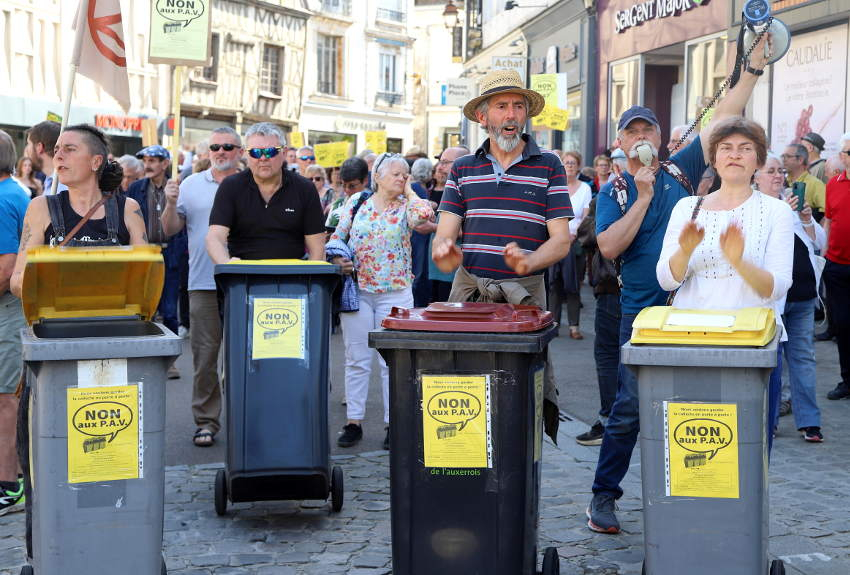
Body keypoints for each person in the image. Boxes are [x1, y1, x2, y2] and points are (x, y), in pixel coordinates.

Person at [586, 34, 769, 535]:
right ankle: (604, 497)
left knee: (691, 406)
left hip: (691, 308)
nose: (641, 136)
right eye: (633, 131)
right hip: (640, 314)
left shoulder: (681, 168)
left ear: (660, 135)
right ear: (621, 142)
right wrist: (642, 197)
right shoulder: (615, 189)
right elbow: (608, 248)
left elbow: (725, 113)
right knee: (627, 411)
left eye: (649, 128)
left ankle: (692, 492)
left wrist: (752, 68)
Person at [11, 123, 147, 557]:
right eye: (56, 150)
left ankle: (117, 538)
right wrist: (62, 274)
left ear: (96, 161)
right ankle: (55, 544)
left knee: (113, 451)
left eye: (70, 149)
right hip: (57, 346)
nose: (59, 156)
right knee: (58, 454)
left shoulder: (127, 211)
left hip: (115, 348)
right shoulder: (40, 209)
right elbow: (17, 280)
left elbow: (146, 279)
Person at [431, 68, 574, 444]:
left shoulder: (549, 165)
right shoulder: (463, 168)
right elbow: (445, 237)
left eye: (517, 106)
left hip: (523, 296)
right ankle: (466, 463)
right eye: (501, 107)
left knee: (522, 392)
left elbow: (561, 240)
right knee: (464, 391)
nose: (511, 115)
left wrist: (529, 262)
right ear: (483, 116)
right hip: (470, 294)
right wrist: (445, 253)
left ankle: (516, 467)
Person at [658, 117, 794, 449]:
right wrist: (685, 251)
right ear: (714, 158)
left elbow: (775, 287)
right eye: (726, 148)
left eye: (745, 149)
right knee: (693, 444)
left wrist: (739, 261)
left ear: (758, 161)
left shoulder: (776, 212)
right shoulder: (688, 207)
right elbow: (665, 279)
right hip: (691, 343)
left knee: (748, 448)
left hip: (752, 347)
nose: (734, 155)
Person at [328, 153, 433, 449]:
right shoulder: (357, 201)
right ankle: (354, 421)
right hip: (358, 290)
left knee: (392, 361)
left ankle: (393, 423)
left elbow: (424, 216)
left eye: (406, 174)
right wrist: (338, 256)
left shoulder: (406, 206)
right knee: (356, 358)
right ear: (377, 176)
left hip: (395, 291)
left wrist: (411, 191)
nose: (401, 178)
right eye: (397, 174)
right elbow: (337, 235)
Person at [161, 127, 243, 447]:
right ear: (207, 151)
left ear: (239, 151)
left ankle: (244, 415)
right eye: (214, 147)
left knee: (245, 357)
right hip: (202, 283)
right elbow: (169, 230)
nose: (220, 152)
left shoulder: (252, 185)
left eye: (227, 147)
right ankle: (206, 421)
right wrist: (169, 203)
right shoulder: (190, 185)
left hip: (244, 282)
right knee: (205, 358)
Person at [754, 152, 825, 442]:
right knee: (772, 361)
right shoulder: (755, 207)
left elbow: (820, 243)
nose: (777, 176)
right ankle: (768, 420)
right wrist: (783, 211)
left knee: (803, 359)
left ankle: (810, 421)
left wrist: (806, 219)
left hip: (804, 296)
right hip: (773, 299)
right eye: (770, 171)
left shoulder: (791, 202)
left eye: (780, 171)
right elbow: (756, 247)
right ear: (755, 178)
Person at [206, 122, 326, 264]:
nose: (263, 158)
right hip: (242, 278)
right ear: (247, 154)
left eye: (270, 151)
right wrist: (227, 267)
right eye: (255, 152)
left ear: (284, 153)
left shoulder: (305, 188)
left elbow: (317, 248)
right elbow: (214, 238)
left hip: (293, 279)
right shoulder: (231, 186)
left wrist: (309, 282)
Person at [127, 145, 187, 378]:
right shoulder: (135, 188)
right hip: (144, 254)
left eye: (154, 160)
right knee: (144, 309)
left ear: (165, 164)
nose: (148, 164)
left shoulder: (177, 188)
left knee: (169, 310)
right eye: (146, 160)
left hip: (170, 253)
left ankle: (169, 360)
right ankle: (145, 356)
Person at [0, 131, 30, 515]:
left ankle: (9, 485)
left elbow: (6, 268)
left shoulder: (5, 197)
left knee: (6, 399)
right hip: (11, 307)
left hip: (8, 307)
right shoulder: (12, 193)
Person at [548, 151, 592, 339]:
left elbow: (586, 216)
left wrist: (574, 234)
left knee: (573, 285)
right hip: (554, 242)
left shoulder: (585, 189)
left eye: (573, 163)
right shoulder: (553, 187)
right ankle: (554, 324)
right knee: (553, 285)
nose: (569, 166)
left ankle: (574, 327)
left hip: (575, 243)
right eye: (566, 163)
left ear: (579, 166)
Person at [823, 132, 850, 401]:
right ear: (843, 156)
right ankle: (847, 381)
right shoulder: (833, 184)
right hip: (837, 266)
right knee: (842, 326)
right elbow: (829, 221)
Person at [428, 146, 469, 302]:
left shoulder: (468, 191)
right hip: (436, 271)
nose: (439, 167)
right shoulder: (448, 190)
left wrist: (432, 227)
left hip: (454, 274)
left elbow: (473, 231)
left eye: (445, 162)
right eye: (439, 162)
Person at [409, 157, 435, 307]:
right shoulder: (418, 188)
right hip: (420, 235)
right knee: (419, 271)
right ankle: (418, 305)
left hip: (418, 234)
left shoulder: (415, 187)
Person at [783, 143, 826, 222]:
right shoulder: (781, 181)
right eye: (783, 156)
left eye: (788, 156)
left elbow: (826, 214)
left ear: (800, 160)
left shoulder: (816, 184)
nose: (783, 159)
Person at [326, 157, 370, 234]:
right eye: (343, 185)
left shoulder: (376, 205)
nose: (347, 190)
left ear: (365, 180)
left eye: (352, 186)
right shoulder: (337, 205)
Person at [24, 121, 66, 195]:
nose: (26, 149)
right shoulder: (50, 180)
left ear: (39, 147)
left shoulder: (64, 188)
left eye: (29, 144)